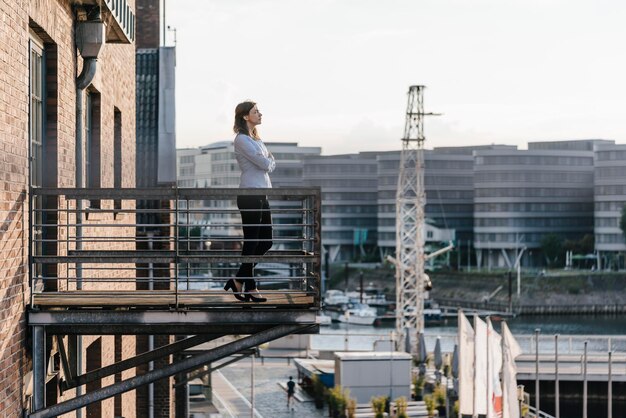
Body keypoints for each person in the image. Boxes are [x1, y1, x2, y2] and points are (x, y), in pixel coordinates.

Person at [223, 101, 275, 303]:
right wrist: (269, 160)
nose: (260, 114)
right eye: (256, 111)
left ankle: (239, 279)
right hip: (249, 194)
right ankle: (250, 286)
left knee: (266, 241)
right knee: (252, 241)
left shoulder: (257, 140)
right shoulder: (242, 140)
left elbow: (268, 163)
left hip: (262, 193)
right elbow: (266, 163)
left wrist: (268, 160)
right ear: (245, 116)